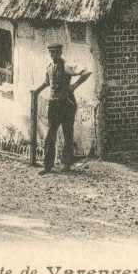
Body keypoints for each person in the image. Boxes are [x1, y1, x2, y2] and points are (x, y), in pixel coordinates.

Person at [32, 43, 91, 175]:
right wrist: (37, 91)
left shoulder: (66, 66)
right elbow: (47, 82)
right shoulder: (49, 68)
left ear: (60, 53)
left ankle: (66, 164)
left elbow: (87, 71)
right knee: (50, 135)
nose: (53, 56)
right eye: (51, 53)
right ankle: (48, 166)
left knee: (67, 135)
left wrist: (74, 85)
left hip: (66, 104)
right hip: (54, 105)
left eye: (55, 53)